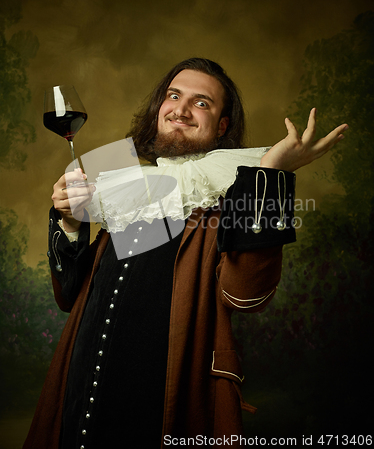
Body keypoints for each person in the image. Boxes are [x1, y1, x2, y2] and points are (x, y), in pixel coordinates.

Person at [23, 58, 348, 449]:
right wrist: (71, 222)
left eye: (201, 103)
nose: (180, 109)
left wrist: (270, 174)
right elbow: (70, 296)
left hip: (164, 409)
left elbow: (245, 296)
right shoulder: (126, 183)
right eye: (173, 96)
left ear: (222, 126)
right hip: (78, 403)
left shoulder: (232, 193)